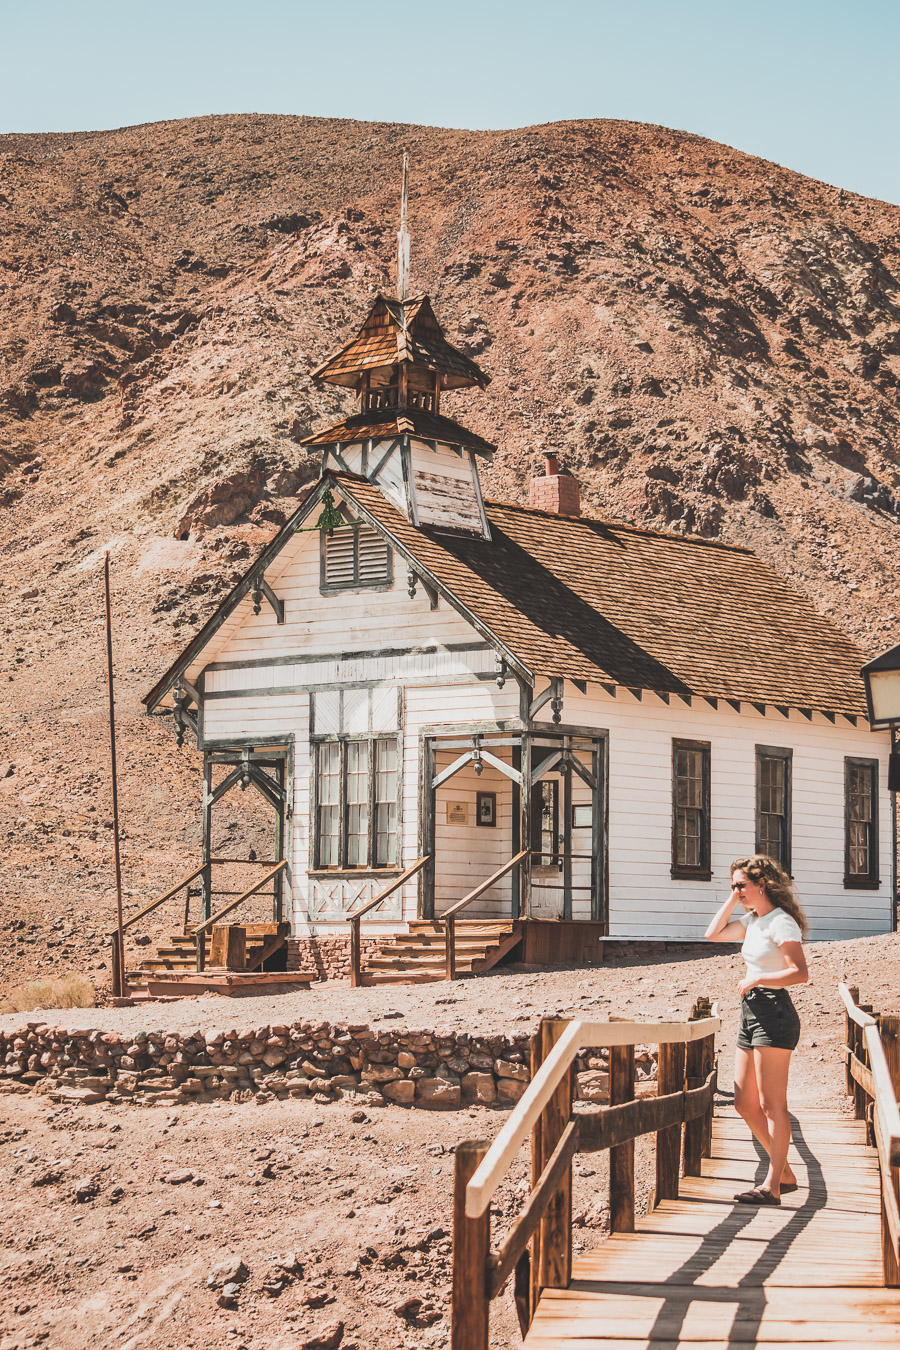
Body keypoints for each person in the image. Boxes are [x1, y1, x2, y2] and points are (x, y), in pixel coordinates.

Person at [705, 854, 809, 1205]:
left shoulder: (782, 923)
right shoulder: (753, 920)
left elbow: (800, 972)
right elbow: (712, 934)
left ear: (761, 885)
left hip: (774, 1011)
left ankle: (772, 1186)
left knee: (771, 1105)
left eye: (741, 885)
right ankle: (786, 1171)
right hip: (750, 1011)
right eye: (733, 886)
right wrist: (734, 899)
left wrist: (759, 977)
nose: (736, 891)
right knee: (744, 1103)